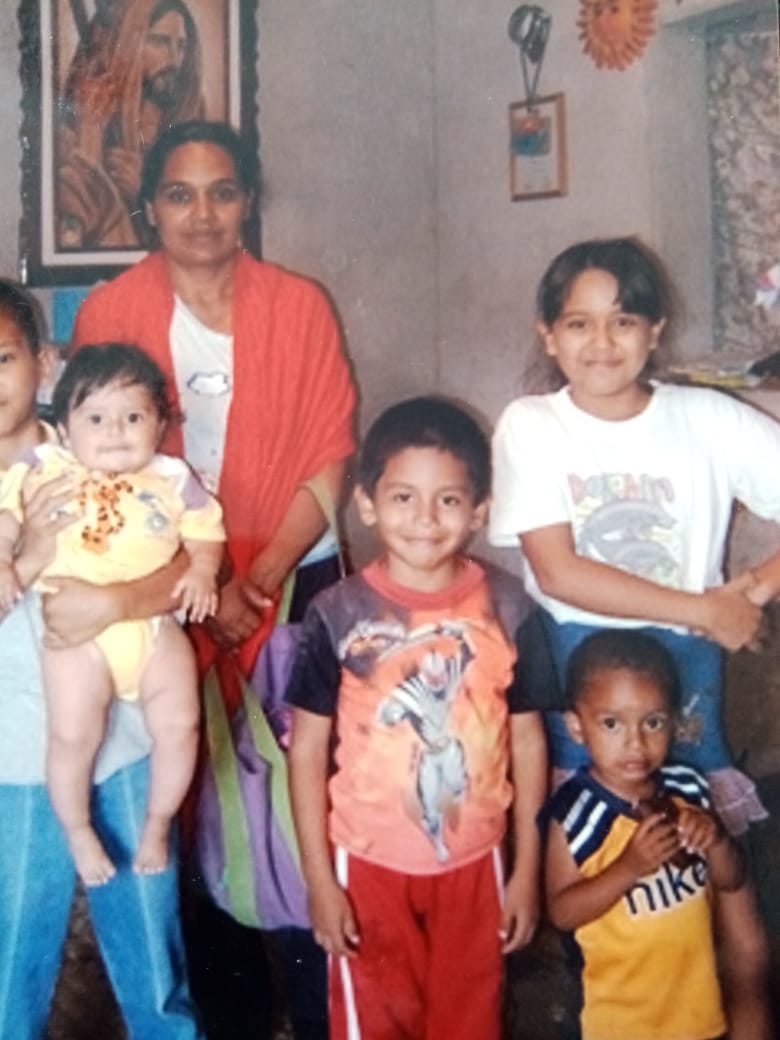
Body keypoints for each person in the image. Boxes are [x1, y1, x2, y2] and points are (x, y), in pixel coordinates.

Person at [71, 120, 356, 1038]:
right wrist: (209, 586)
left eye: (223, 191)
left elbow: (328, 453)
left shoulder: (300, 306)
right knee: (188, 803)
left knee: (304, 796)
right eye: (181, 194)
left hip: (290, 579)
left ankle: (319, 1008)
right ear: (151, 205)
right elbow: (97, 473)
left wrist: (259, 578)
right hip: (164, 591)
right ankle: (228, 1016)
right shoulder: (109, 312)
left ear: (249, 201)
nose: (203, 213)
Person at [489, 236, 779, 1038]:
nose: (601, 343)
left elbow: (723, 604)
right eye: (577, 324)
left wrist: (744, 594)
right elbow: (561, 568)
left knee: (715, 875)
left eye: (623, 321)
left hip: (684, 676)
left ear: (655, 331)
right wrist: (704, 606)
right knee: (598, 883)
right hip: (581, 670)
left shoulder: (707, 419)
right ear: (547, 335)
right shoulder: (533, 423)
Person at [287, 397, 547, 1040]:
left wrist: (526, 872)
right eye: (403, 498)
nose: (425, 520)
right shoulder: (335, 613)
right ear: (368, 504)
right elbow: (306, 753)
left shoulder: (510, 608)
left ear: (480, 511)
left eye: (449, 501)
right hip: (367, 864)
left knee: (471, 1023)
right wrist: (319, 882)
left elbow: (528, 738)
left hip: (476, 861)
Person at [0, 279, 204, 1038]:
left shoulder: (106, 436)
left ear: (45, 363)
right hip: (14, 759)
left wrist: (116, 604)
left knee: (153, 954)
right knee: (13, 957)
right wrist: (29, 554)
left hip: (124, 743)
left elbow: (183, 568)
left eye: (1, 358)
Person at [0, 343, 224, 885]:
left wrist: (201, 571)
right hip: (77, 642)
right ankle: (77, 829)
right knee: (73, 735)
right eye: (96, 418)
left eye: (133, 417)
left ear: (160, 424)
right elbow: (7, 516)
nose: (115, 431)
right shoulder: (44, 466)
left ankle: (157, 822)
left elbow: (205, 533)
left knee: (180, 723)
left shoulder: (172, 477)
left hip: (152, 629)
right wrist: (7, 560)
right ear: (67, 425)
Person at [545, 629, 745, 1040]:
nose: (635, 743)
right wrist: (629, 867)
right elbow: (562, 911)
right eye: (612, 723)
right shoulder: (575, 812)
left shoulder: (688, 789)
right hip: (621, 1021)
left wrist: (717, 841)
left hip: (695, 1010)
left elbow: (731, 881)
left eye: (652, 722)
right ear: (577, 727)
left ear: (674, 722)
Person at [57, 0, 205, 248]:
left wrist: (146, 193)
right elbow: (71, 235)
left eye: (180, 46)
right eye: (159, 41)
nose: (174, 59)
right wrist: (90, 143)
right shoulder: (75, 127)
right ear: (129, 43)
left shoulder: (191, 119)